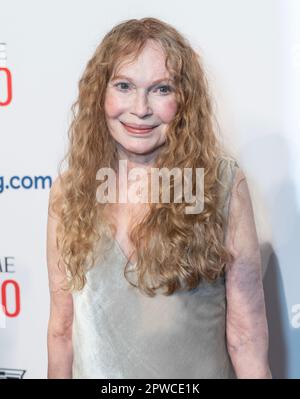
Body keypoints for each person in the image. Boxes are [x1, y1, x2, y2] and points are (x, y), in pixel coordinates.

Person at [46, 17, 272, 379]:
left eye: (161, 89)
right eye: (123, 85)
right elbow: (61, 329)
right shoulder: (70, 192)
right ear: (99, 94)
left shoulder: (220, 185)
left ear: (184, 99)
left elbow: (246, 339)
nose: (140, 108)